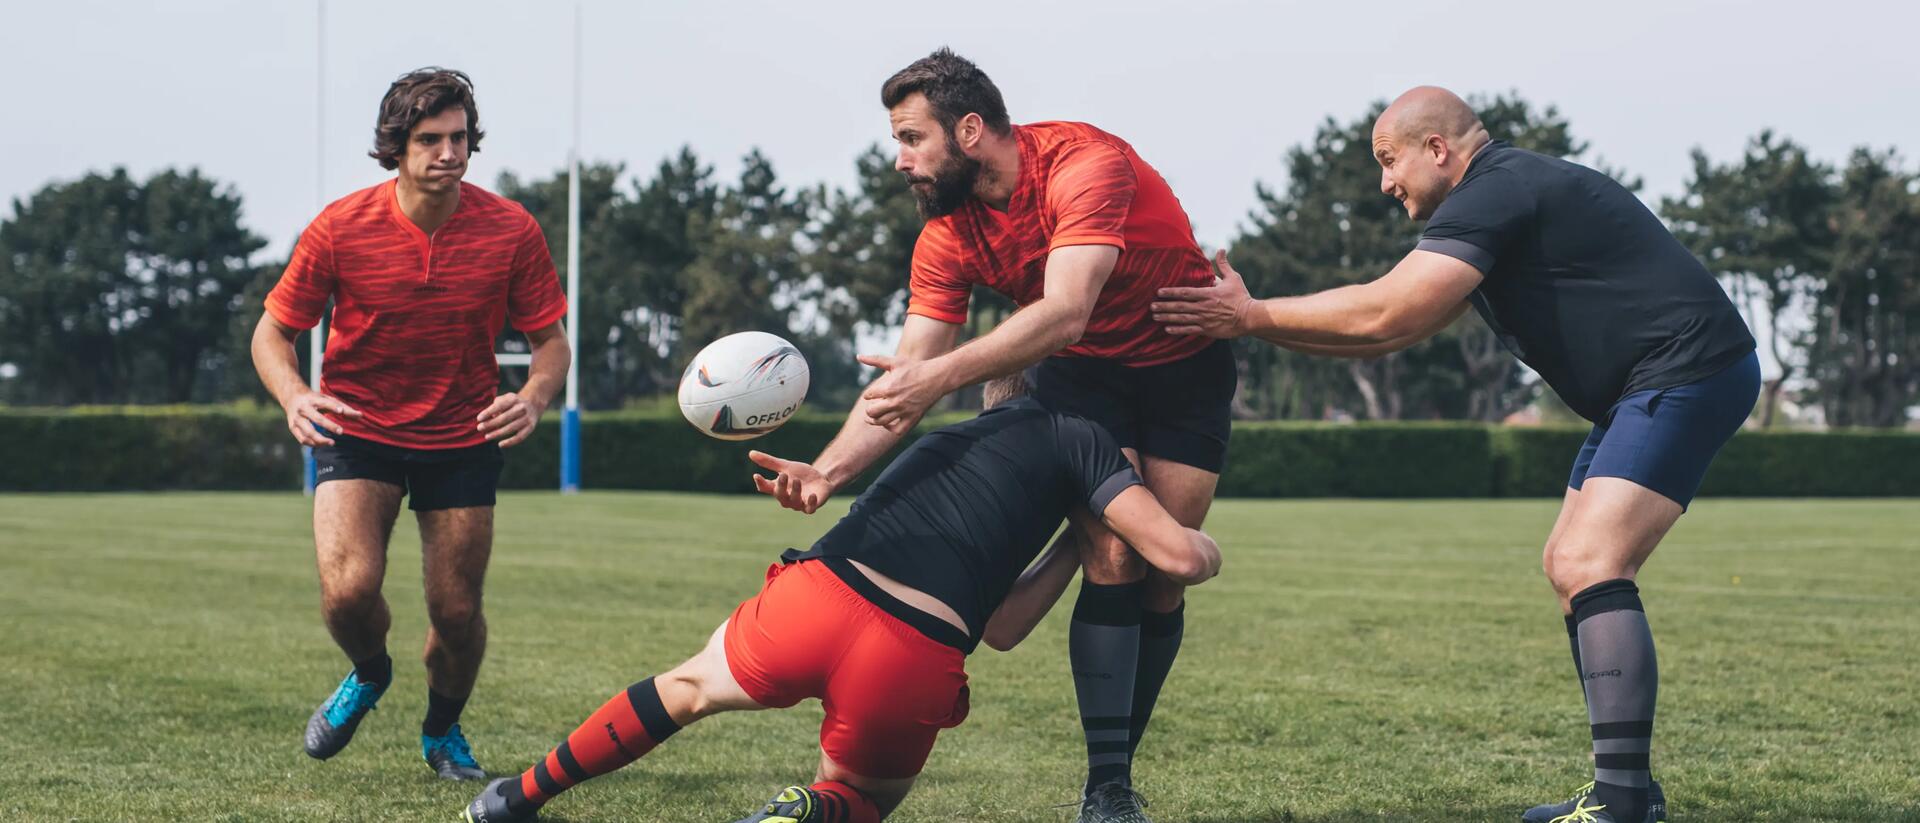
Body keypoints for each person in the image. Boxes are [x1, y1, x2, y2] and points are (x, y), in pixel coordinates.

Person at [1151, 86, 1756, 823]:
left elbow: (1386, 310)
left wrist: (1248, 314)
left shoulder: (1493, 189)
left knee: (1590, 562)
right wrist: (1248, 325)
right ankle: (1621, 787)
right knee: (1568, 561)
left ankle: (1624, 802)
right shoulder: (1502, 196)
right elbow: (1393, 330)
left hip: (1685, 368)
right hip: (1649, 382)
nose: (1384, 183)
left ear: (1438, 149)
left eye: (1389, 160)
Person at [749, 48, 1236, 822]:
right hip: (1082, 376)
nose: (900, 159)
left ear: (969, 130)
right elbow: (909, 374)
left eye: (912, 138)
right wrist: (829, 470)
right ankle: (1108, 790)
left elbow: (1065, 307)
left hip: (1186, 367)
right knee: (1115, 551)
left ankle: (1113, 771)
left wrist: (936, 378)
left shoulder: (1086, 165)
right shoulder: (946, 235)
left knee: (1163, 569)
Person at [460, 374, 1221, 823]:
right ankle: (808, 807)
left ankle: (514, 798)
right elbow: (1176, 558)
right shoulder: (1080, 438)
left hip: (819, 594)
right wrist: (1112, 530)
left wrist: (1075, 532)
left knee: (686, 687)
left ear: (995, 388)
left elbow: (1003, 625)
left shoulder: (947, 437)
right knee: (861, 797)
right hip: (913, 651)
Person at [251, 67, 570, 780]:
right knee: (349, 590)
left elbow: (552, 342)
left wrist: (535, 397)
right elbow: (271, 334)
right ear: (395, 146)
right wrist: (296, 396)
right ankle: (368, 671)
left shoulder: (511, 229)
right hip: (356, 428)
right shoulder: (339, 226)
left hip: (463, 436)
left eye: (459, 137)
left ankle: (442, 731)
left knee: (456, 613)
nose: (449, 152)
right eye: (430, 139)